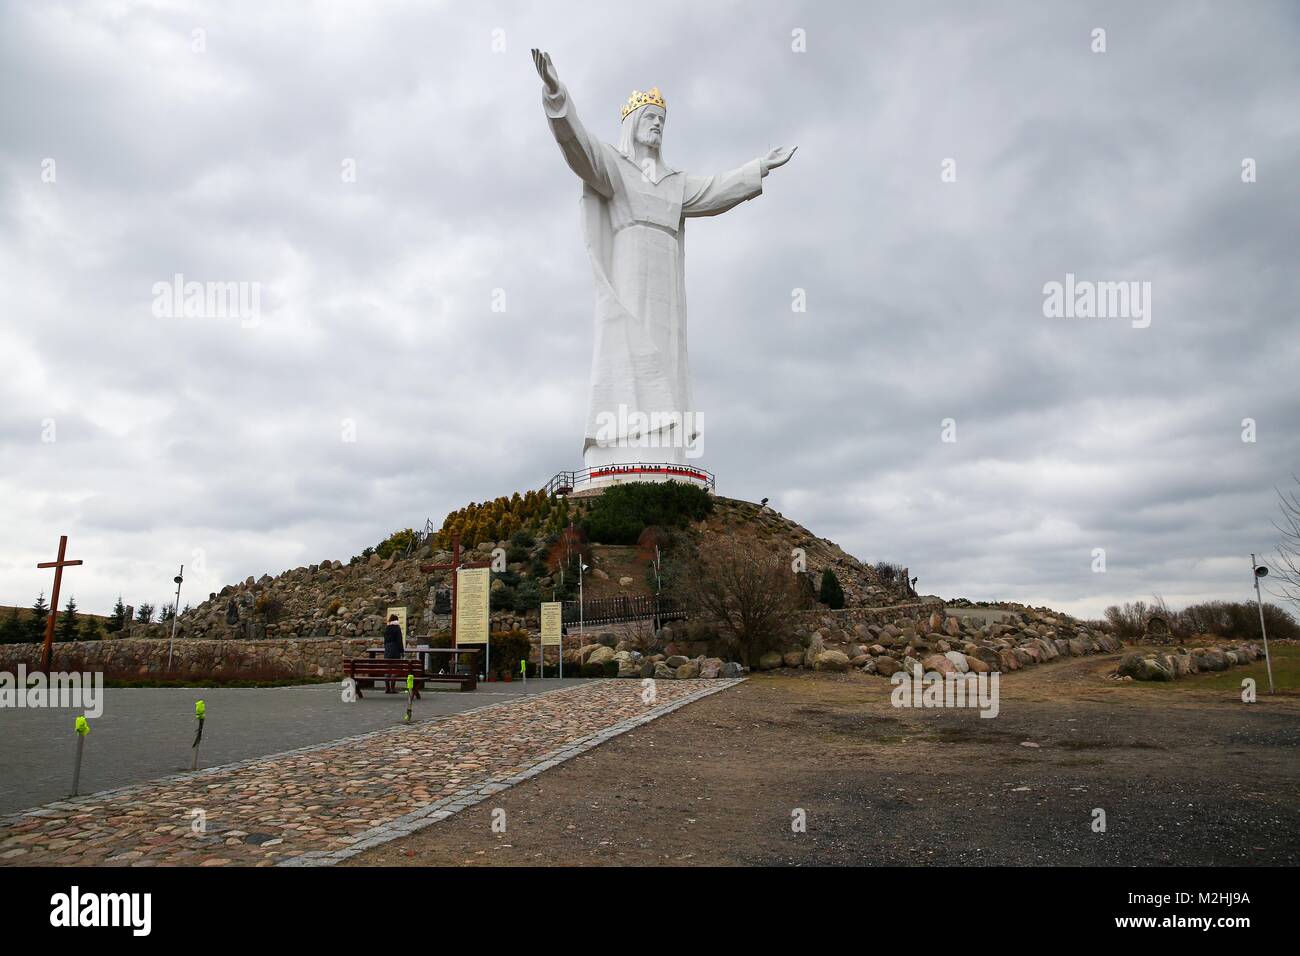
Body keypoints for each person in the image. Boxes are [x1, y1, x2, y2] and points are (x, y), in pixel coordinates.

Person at [383, 614, 403, 693]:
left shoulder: (387, 628)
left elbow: (385, 641)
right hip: (395, 650)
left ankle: (387, 688)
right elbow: (399, 641)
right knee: (395, 669)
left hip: (387, 650)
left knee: (387, 669)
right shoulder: (397, 628)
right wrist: (401, 651)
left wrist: (387, 649)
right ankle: (393, 688)